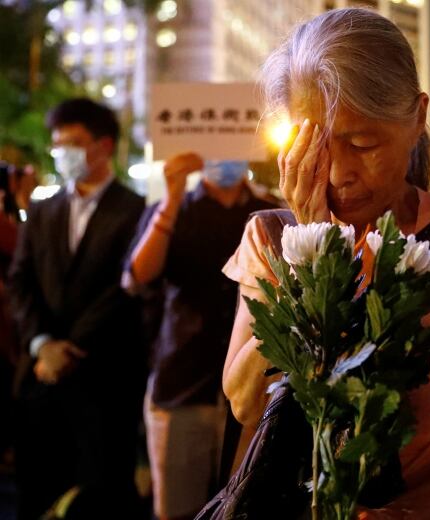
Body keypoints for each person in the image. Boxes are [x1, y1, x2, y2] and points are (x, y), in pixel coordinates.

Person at [219, 8, 430, 518]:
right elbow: (248, 403)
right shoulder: (272, 239)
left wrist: (404, 514)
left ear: (417, 118)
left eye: (362, 144)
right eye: (312, 145)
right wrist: (311, 248)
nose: (338, 173)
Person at [8, 98, 147, 519]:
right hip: (42, 380)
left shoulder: (134, 209)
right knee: (37, 494)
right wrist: (41, 343)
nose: (62, 152)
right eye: (58, 144)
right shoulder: (43, 209)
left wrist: (69, 347)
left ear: (103, 146)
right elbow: (20, 280)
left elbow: (124, 290)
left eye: (73, 142)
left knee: (100, 498)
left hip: (104, 380)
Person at [123, 154, 275, 520]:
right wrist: (172, 198)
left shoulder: (268, 212)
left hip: (255, 389)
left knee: (247, 507)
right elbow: (137, 277)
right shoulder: (172, 209)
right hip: (182, 380)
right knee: (178, 507)